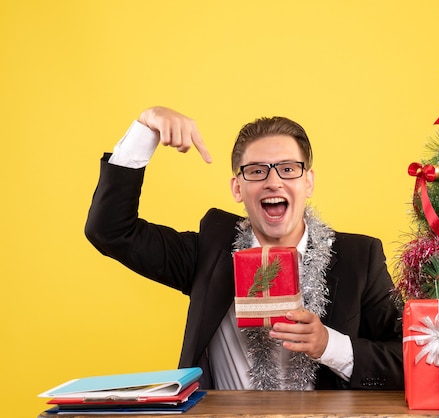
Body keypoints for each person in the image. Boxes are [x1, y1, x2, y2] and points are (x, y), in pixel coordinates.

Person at [85, 106, 404, 390]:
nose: (273, 182)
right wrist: (145, 127)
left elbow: (408, 358)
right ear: (238, 188)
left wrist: (328, 345)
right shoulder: (208, 253)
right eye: (256, 171)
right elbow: (110, 230)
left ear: (308, 182)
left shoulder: (359, 259)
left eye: (288, 169)